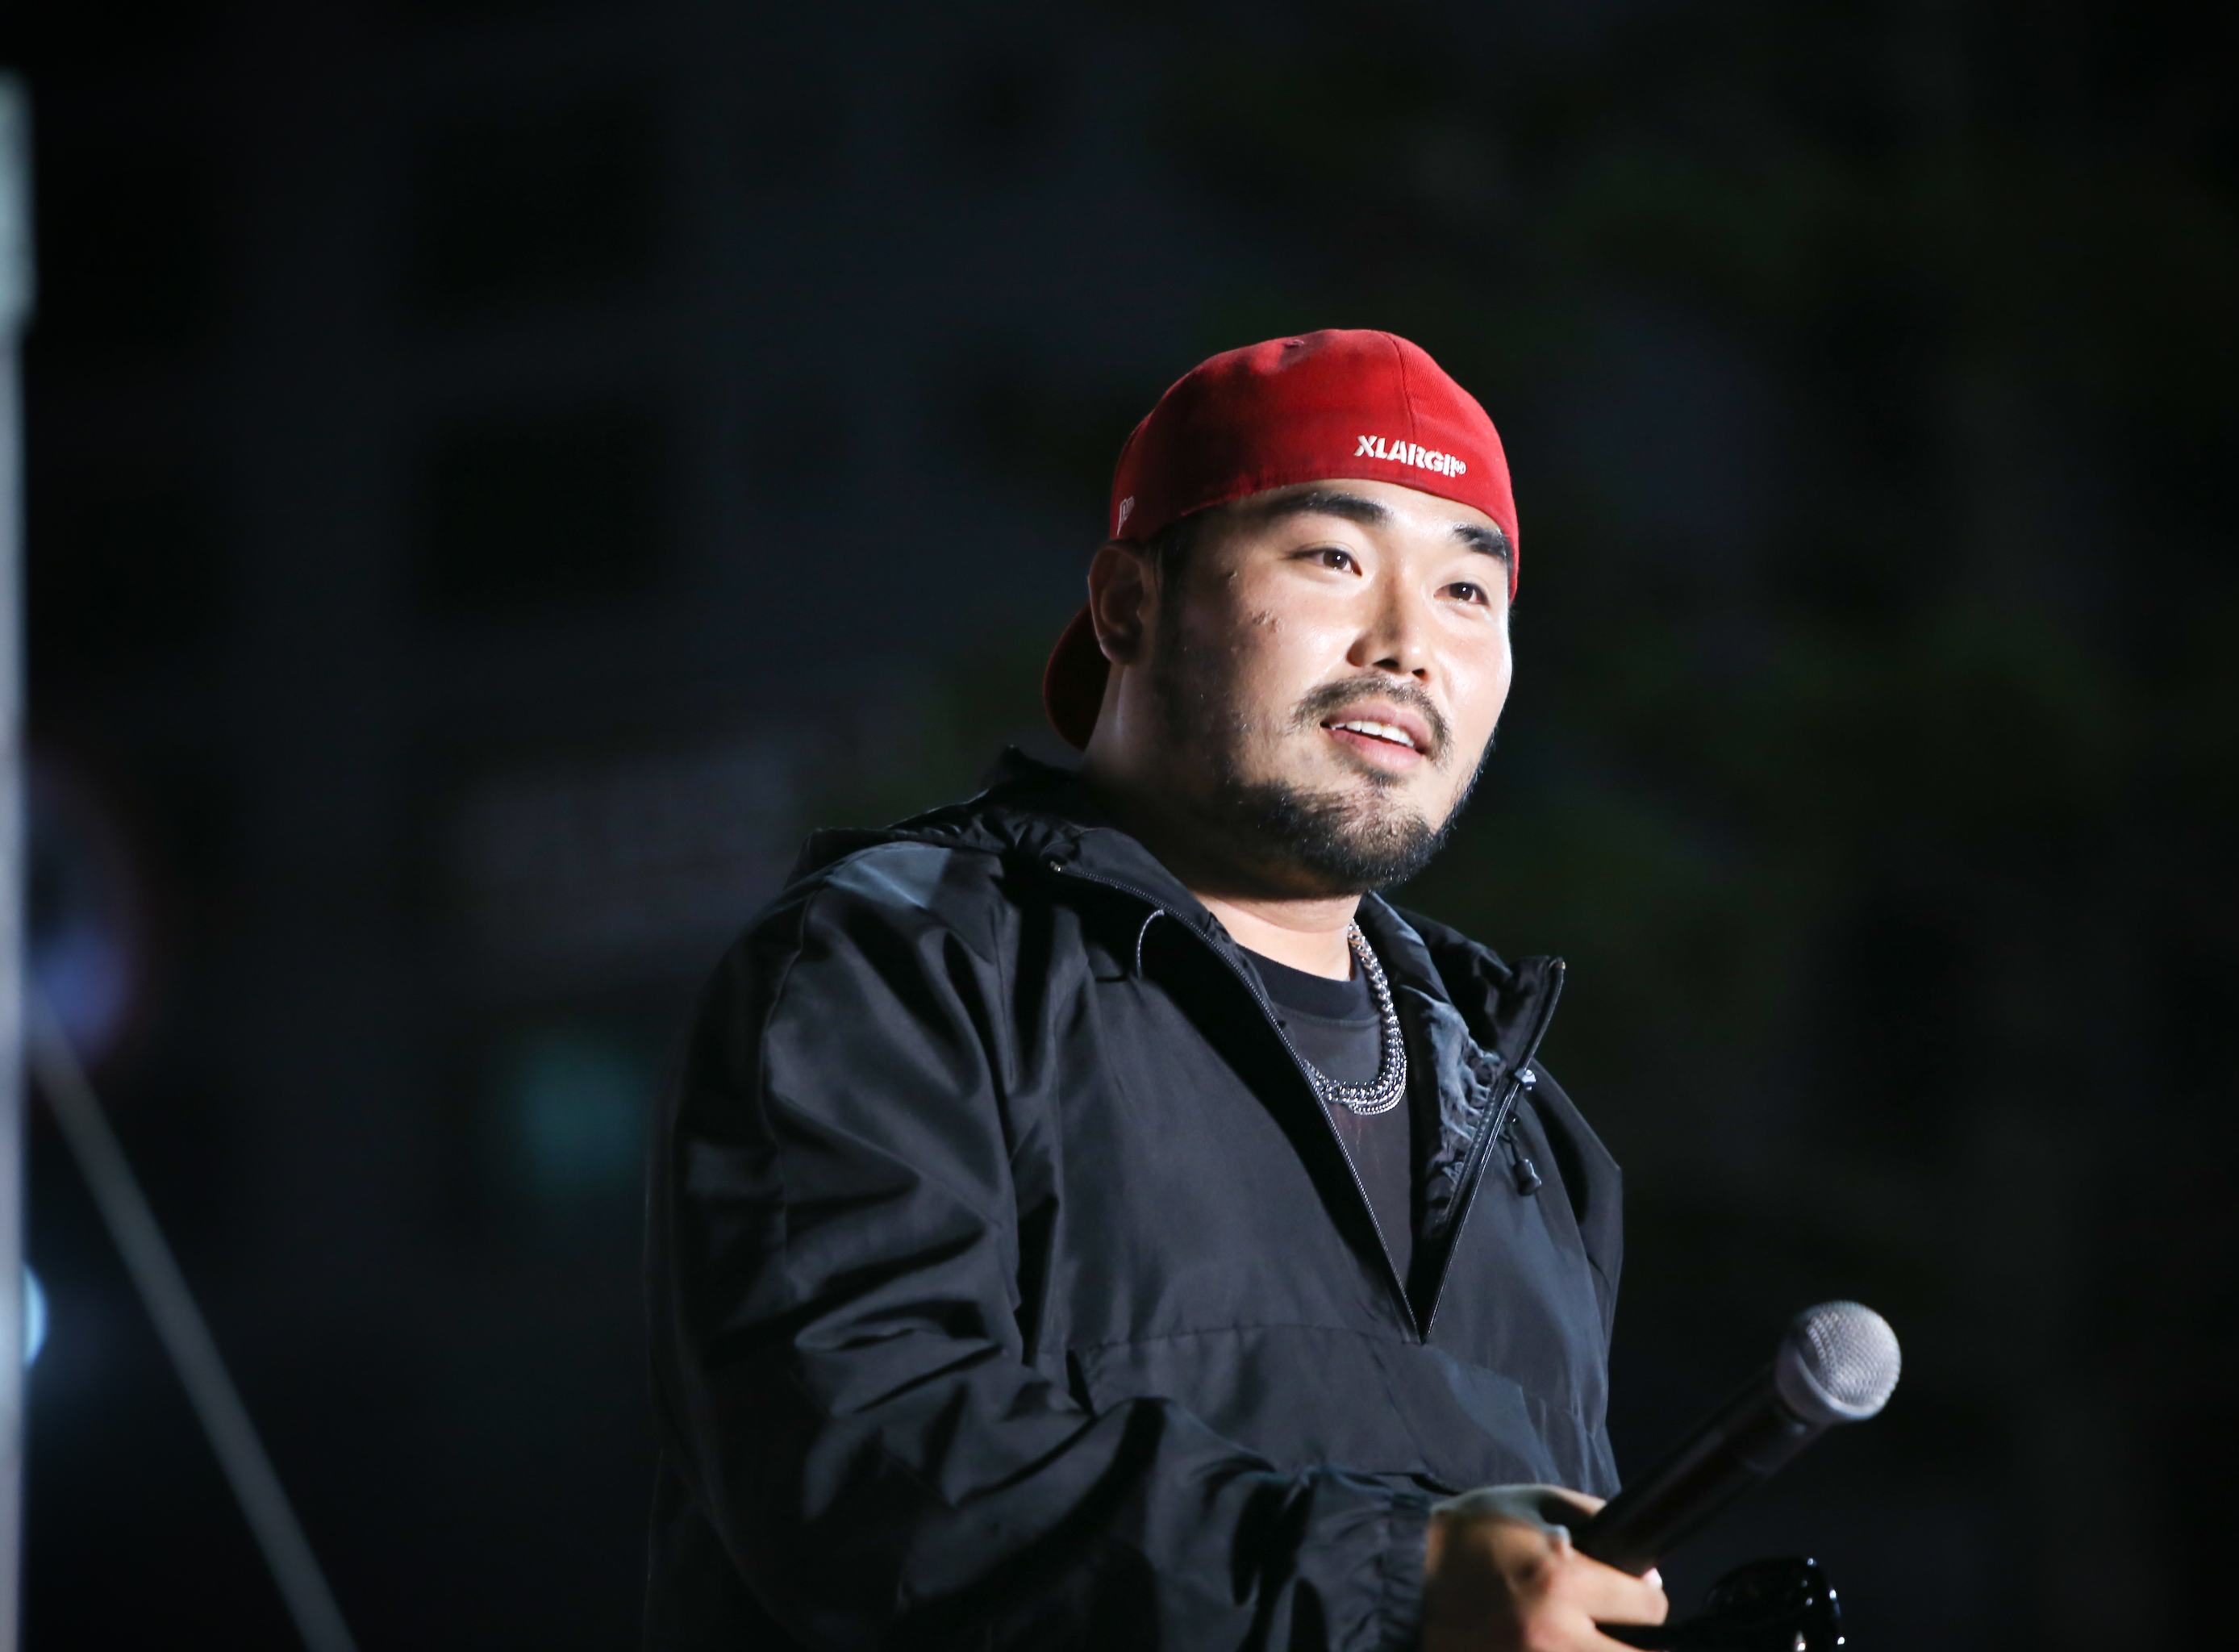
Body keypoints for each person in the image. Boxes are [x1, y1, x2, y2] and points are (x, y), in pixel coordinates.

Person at [647, 330, 1666, 1650]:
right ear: (1129, 605)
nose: (1409, 645)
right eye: (1334, 558)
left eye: (1469, 591)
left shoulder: (1527, 1134)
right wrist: (1389, 1582)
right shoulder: (906, 964)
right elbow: (858, 1463)